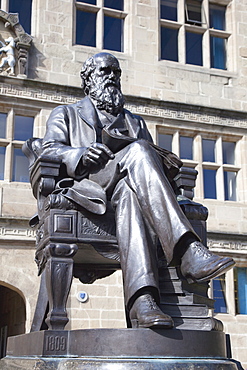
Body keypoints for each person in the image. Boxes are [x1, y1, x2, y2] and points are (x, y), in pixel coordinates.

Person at [42, 52, 235, 329]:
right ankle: (187, 250)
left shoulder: (136, 122)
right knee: (140, 150)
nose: (112, 77)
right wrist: (81, 155)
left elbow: (149, 167)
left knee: (132, 190)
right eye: (105, 71)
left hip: (124, 191)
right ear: (88, 80)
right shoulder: (67, 114)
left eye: (116, 73)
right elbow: (48, 150)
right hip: (89, 189)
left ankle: (143, 302)